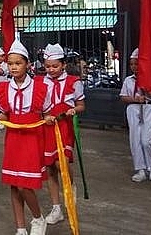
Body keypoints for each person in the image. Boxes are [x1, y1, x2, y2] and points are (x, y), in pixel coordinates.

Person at [0, 39, 50, 235]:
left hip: (31, 138)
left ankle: (38, 218)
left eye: (18, 63)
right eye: (10, 63)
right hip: (13, 138)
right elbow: (6, 114)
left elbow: (47, 112)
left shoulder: (40, 87)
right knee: (14, 185)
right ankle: (20, 228)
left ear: (27, 64)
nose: (13, 67)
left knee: (24, 185)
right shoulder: (4, 88)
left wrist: (49, 118)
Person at [40, 43, 85, 226]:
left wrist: (74, 110)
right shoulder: (40, 82)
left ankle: (70, 186)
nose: (51, 69)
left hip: (65, 126)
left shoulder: (74, 82)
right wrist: (44, 116)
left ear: (64, 64)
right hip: (47, 126)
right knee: (50, 167)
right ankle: (56, 207)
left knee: (62, 163)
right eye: (47, 66)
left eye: (55, 66)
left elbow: (81, 105)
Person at [119, 48, 151, 182]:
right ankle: (140, 169)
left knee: (146, 140)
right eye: (131, 64)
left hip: (149, 108)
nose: (134, 67)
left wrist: (146, 87)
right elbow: (123, 97)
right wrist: (134, 99)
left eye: (136, 63)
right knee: (135, 140)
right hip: (133, 109)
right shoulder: (128, 80)